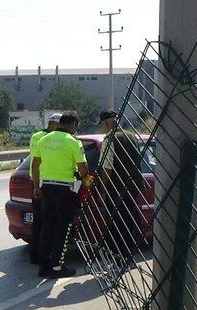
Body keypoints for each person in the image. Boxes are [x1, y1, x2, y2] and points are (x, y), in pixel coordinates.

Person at [31, 113, 88, 278]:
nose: (76, 130)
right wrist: (81, 177)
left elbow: (35, 165)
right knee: (63, 229)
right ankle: (57, 267)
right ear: (72, 125)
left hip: (46, 188)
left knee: (47, 227)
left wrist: (36, 186)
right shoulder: (73, 142)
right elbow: (83, 169)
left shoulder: (45, 139)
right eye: (76, 127)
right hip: (65, 190)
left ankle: (43, 267)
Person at [98, 110, 144, 262]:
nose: (102, 129)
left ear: (105, 123)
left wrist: (103, 190)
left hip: (116, 188)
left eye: (102, 126)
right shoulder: (132, 136)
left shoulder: (109, 139)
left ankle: (119, 257)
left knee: (117, 223)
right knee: (129, 220)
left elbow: (107, 167)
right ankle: (128, 256)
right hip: (133, 186)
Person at [27, 113, 61, 264]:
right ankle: (46, 257)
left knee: (38, 222)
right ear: (55, 124)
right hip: (45, 182)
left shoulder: (35, 136)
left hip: (34, 181)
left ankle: (34, 255)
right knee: (49, 223)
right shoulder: (51, 139)